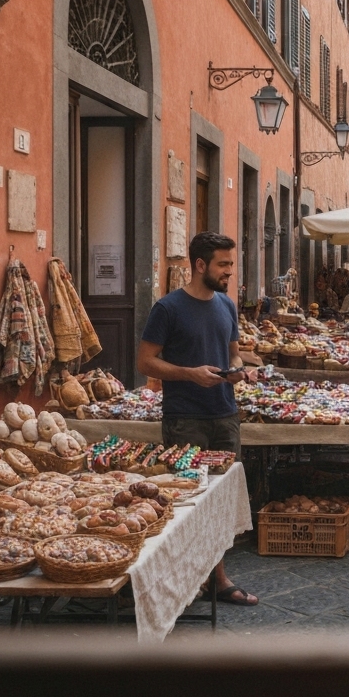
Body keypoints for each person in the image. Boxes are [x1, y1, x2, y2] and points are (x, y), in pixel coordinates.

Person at [136, 231, 260, 606]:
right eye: (223, 265)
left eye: (231, 265)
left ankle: (218, 578)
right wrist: (190, 373)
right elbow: (145, 362)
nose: (229, 272)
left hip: (224, 414)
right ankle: (184, 580)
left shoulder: (226, 305)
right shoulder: (168, 308)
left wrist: (237, 371)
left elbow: (234, 355)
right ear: (200, 265)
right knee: (186, 501)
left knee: (220, 501)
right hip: (184, 418)